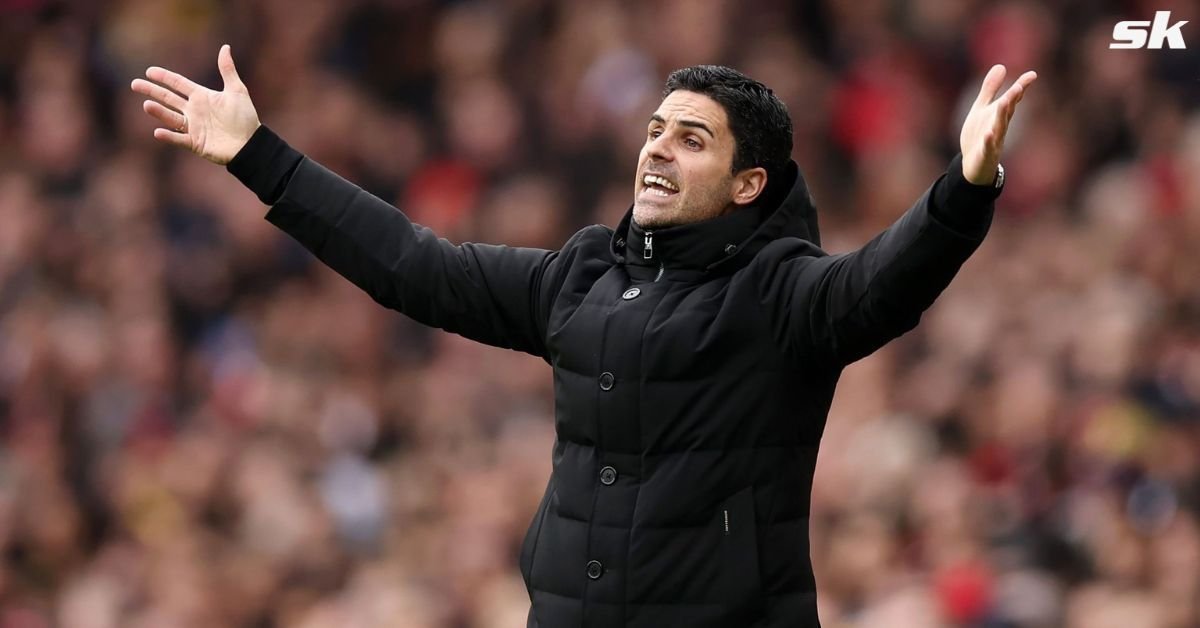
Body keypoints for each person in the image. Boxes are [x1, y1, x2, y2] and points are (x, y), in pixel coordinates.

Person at [131, 45, 1036, 628]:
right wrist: (260, 157)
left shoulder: (781, 293)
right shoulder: (581, 275)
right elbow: (414, 264)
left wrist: (963, 189)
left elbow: (883, 286)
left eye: (691, 140)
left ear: (749, 183)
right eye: (654, 131)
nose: (656, 150)